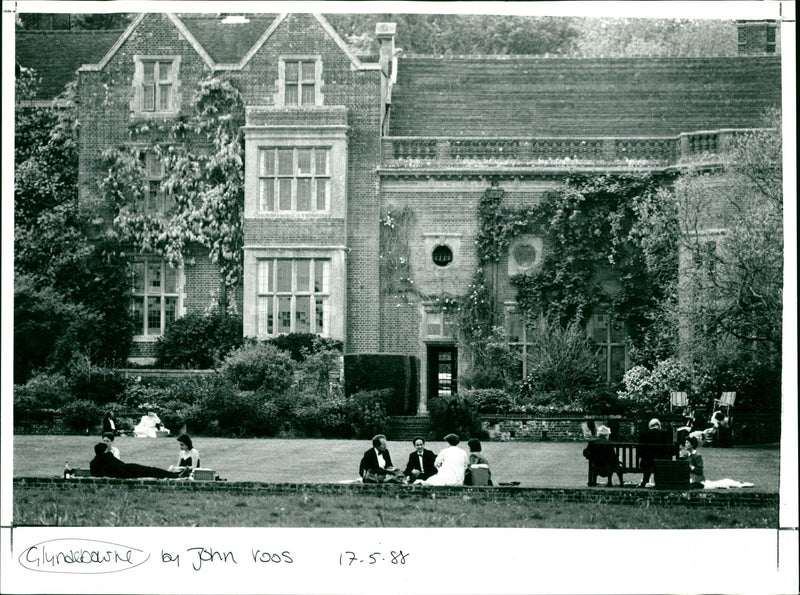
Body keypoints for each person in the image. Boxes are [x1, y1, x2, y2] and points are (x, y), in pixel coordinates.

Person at [89, 443, 182, 479]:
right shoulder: (108, 456)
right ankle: (174, 475)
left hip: (121, 473)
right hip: (127, 471)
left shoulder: (93, 463)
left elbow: (94, 474)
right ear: (105, 450)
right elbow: (121, 464)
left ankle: (173, 475)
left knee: (149, 471)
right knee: (150, 470)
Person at [637, 418, 671, 488]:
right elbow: (668, 451)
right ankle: (659, 482)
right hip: (660, 462)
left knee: (647, 460)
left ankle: (645, 480)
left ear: (650, 426)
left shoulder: (644, 435)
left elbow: (640, 453)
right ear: (659, 426)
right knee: (659, 461)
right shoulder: (664, 435)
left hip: (646, 463)